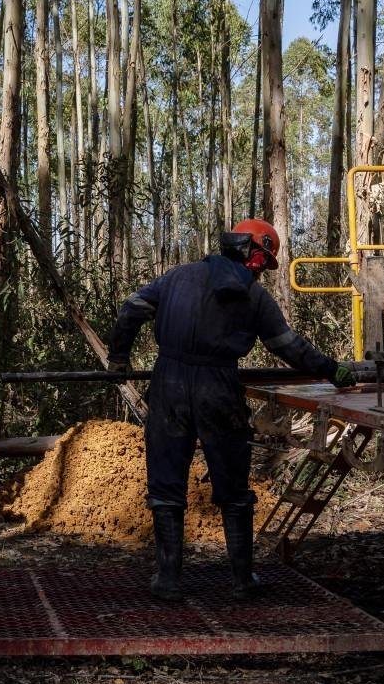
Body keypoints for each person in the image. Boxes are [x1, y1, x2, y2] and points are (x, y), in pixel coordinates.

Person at [107, 219, 356, 602]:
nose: (262, 269)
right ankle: (242, 580)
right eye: (263, 260)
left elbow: (132, 308)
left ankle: (169, 579)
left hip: (168, 384)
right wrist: (331, 369)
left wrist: (119, 359)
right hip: (217, 388)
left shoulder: (177, 276)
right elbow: (288, 347)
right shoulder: (254, 298)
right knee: (232, 484)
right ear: (251, 252)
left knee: (166, 482)